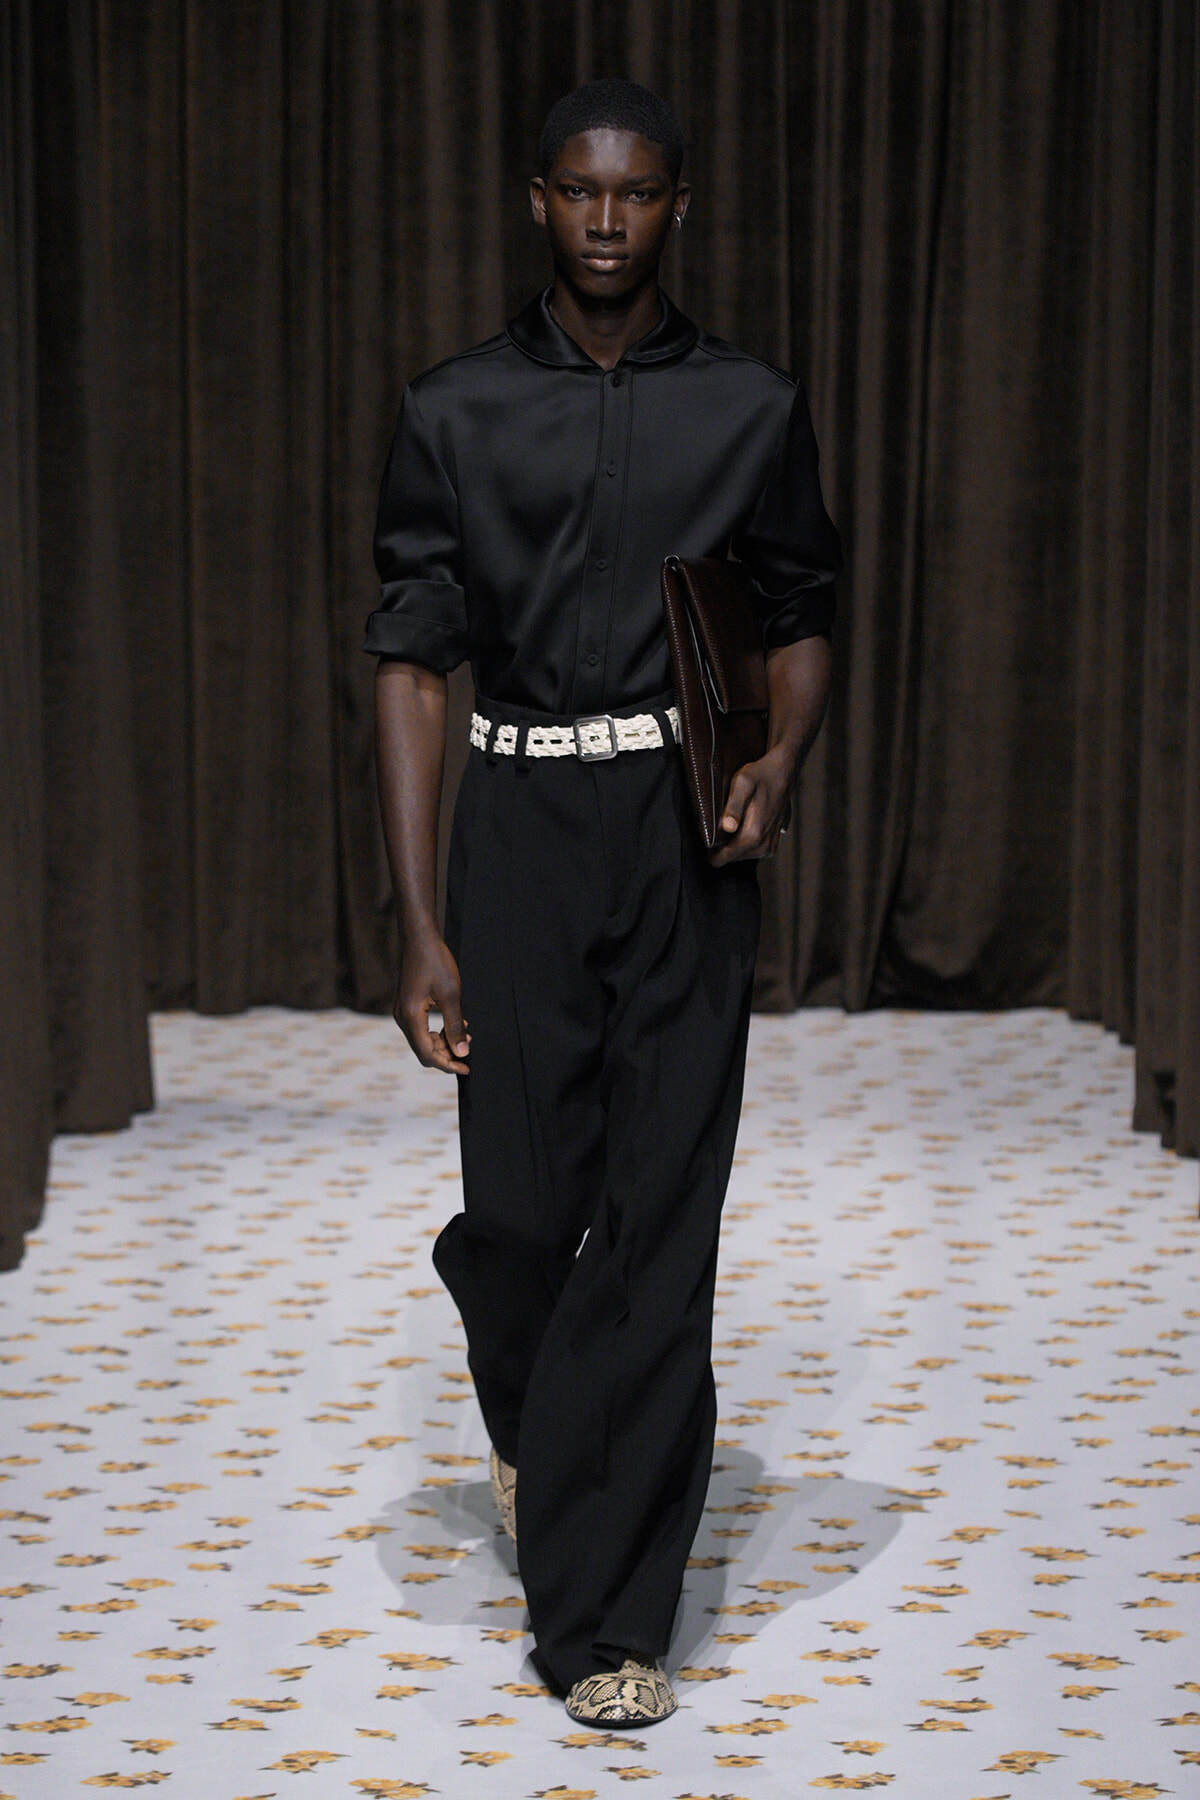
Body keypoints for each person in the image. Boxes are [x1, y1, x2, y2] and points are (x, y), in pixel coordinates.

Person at [368, 77, 842, 1728]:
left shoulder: (752, 407)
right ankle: (542, 1415)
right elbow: (413, 662)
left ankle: (604, 1623)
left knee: (661, 1210)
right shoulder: (454, 411)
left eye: (638, 195)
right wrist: (422, 918)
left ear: (679, 207)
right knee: (519, 1209)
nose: (607, 220)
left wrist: (779, 754)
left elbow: (800, 606)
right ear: (539, 198)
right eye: (581, 191)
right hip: (516, 831)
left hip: (679, 831)